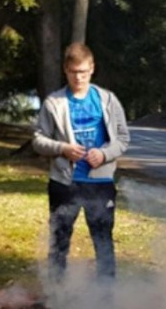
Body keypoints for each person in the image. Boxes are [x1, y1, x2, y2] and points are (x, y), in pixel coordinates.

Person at [32, 42, 130, 285]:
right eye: (74, 72)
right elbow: (38, 140)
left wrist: (105, 154)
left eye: (84, 72)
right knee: (59, 241)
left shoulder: (107, 100)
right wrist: (62, 148)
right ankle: (57, 297)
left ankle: (106, 299)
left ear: (92, 69)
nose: (79, 78)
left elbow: (123, 139)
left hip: (100, 183)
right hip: (64, 184)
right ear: (66, 70)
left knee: (103, 241)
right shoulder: (53, 103)